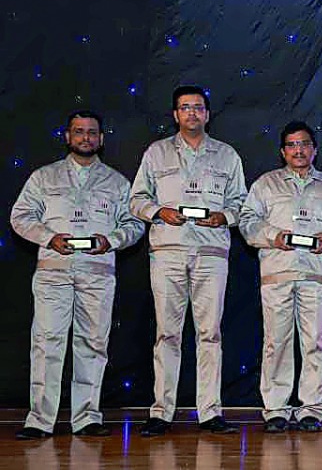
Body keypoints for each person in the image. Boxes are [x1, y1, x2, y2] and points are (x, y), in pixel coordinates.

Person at [10, 111, 145, 439]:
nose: (86, 138)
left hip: (97, 274)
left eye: (92, 132)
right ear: (67, 137)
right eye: (79, 132)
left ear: (102, 138)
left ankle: (87, 417)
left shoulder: (117, 182)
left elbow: (135, 224)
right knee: (46, 343)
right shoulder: (44, 177)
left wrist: (109, 241)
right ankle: (40, 419)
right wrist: (48, 238)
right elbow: (20, 216)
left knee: (93, 344)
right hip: (53, 272)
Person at [130, 86, 247, 436]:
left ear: (208, 115)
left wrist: (225, 216)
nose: (192, 114)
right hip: (168, 252)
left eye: (198, 108)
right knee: (167, 333)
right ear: (175, 115)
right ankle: (161, 411)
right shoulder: (156, 154)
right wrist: (158, 211)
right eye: (185, 108)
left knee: (210, 334)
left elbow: (243, 203)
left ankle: (209, 412)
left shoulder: (227, 156)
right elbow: (135, 199)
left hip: (212, 254)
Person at [239, 121, 322, 433]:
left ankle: (312, 408)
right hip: (277, 275)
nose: (298, 150)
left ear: (314, 149)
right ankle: (275, 408)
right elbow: (247, 223)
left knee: (315, 341)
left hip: (315, 275)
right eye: (291, 145)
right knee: (276, 342)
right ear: (282, 151)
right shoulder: (265, 185)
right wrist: (274, 236)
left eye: (304, 144)